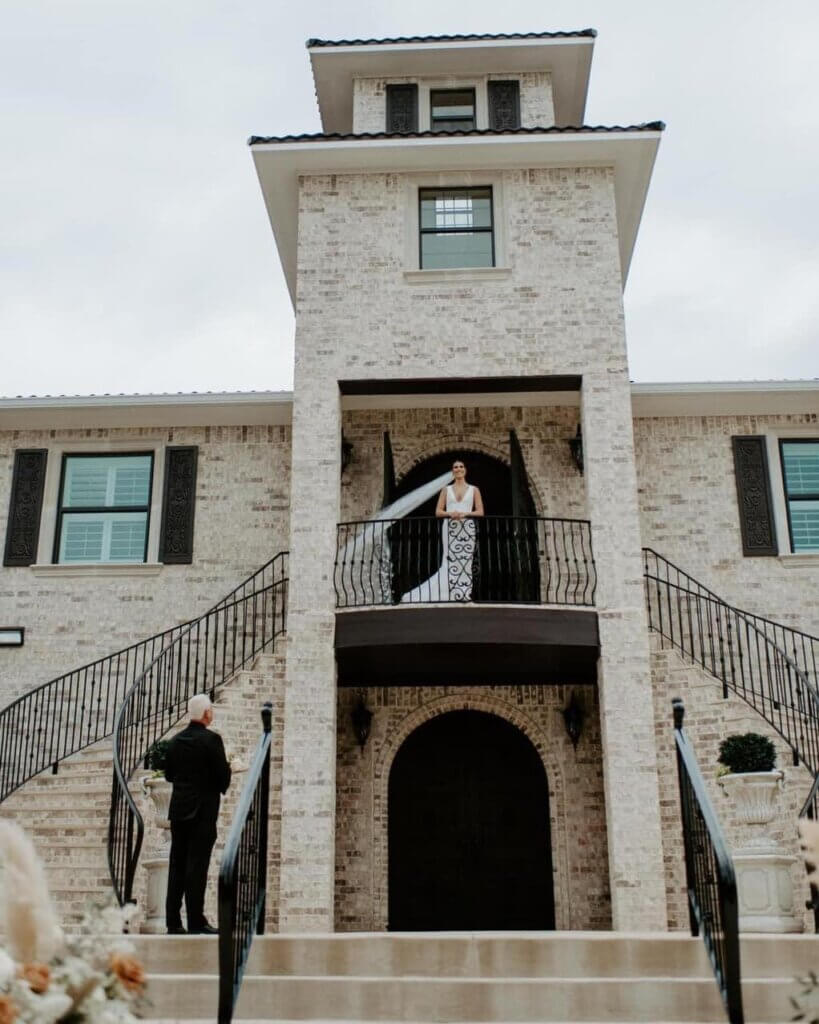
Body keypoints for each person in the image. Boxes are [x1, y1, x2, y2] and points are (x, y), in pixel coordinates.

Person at [164, 693, 231, 935]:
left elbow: (169, 775)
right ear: (206, 714)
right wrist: (229, 771)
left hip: (179, 810)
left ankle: (172, 921)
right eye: (211, 710)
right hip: (203, 812)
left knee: (177, 865)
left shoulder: (175, 741)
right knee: (197, 866)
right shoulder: (212, 741)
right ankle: (195, 920)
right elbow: (223, 778)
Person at [401, 459, 484, 602]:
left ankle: (464, 593)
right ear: (452, 471)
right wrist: (450, 514)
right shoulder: (446, 490)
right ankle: (448, 592)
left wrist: (465, 514)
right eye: (455, 467)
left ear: (465, 470)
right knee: (449, 559)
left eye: (461, 466)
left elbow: (480, 512)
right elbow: (438, 511)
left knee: (465, 560)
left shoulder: (474, 489)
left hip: (467, 528)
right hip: (450, 527)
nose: (458, 469)